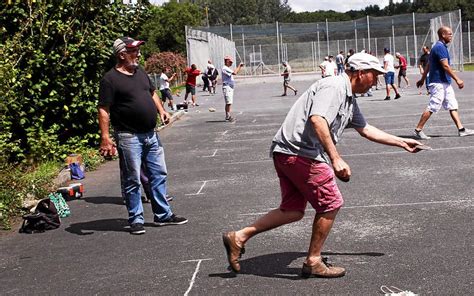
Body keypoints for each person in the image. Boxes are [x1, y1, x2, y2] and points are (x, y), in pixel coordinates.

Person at [222, 53, 422, 277]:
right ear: (360, 73)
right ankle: (313, 260)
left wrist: (402, 142)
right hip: (300, 153)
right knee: (330, 203)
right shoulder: (335, 86)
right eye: (374, 76)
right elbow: (317, 119)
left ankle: (238, 237)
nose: (376, 81)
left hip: (287, 152)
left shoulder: (348, 98)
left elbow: (365, 129)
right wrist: (335, 158)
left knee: (292, 211)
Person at [98, 37, 188, 235]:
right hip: (129, 137)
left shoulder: (140, 72)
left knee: (158, 174)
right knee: (132, 179)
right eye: (134, 51)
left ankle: (163, 215)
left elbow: (152, 93)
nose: (138, 54)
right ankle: (136, 219)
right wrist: (105, 137)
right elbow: (104, 109)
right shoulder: (110, 79)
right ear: (122, 54)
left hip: (151, 134)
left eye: (138, 50)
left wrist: (161, 111)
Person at [414, 26, 474, 139]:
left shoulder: (436, 47)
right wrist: (458, 79)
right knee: (433, 106)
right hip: (438, 83)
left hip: (445, 82)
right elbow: (445, 66)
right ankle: (418, 130)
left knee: (452, 105)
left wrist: (422, 79)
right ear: (443, 35)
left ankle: (461, 129)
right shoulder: (440, 48)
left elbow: (428, 65)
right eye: (449, 34)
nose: (451, 36)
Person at [221, 55, 244, 122]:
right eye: (230, 62)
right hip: (227, 86)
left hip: (230, 87)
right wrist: (239, 66)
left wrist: (240, 67)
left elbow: (234, 73)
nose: (231, 63)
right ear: (226, 61)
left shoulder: (227, 68)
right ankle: (228, 116)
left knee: (229, 102)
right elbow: (234, 73)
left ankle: (228, 116)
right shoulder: (225, 68)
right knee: (228, 102)